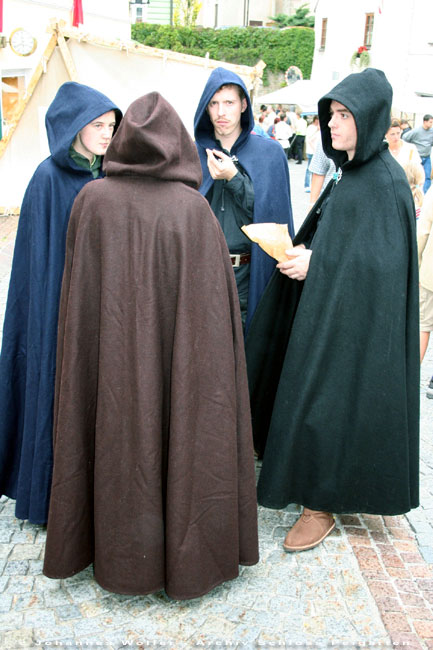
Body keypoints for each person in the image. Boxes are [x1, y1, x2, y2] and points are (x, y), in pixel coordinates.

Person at [43, 92, 259, 600]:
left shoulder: (91, 202)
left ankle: (114, 555)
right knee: (180, 429)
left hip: (111, 370)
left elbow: (79, 310)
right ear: (178, 145)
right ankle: (188, 558)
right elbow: (214, 327)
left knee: (116, 439)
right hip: (173, 370)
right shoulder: (193, 211)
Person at [246, 68, 419, 552]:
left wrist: (317, 264)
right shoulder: (353, 173)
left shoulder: (383, 182)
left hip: (354, 330)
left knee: (329, 403)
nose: (333, 124)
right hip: (328, 312)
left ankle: (320, 502)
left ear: (369, 119)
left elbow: (381, 269)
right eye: (331, 114)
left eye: (344, 115)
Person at [0, 82, 121, 525]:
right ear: (74, 127)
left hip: (97, 309)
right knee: (53, 388)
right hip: (56, 307)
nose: (107, 134)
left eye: (111, 126)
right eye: (97, 126)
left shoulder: (108, 175)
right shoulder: (47, 179)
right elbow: (39, 263)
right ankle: (48, 493)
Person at [194, 67, 294, 329]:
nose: (221, 112)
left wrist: (234, 179)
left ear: (243, 105)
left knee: (248, 356)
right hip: (202, 273)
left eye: (228, 102)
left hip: (249, 275)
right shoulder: (192, 155)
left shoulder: (269, 154)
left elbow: (270, 220)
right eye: (214, 104)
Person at [417, 185, 433, 397]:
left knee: (423, 324)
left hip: (431, 271)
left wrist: (416, 264)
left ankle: (411, 374)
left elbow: (423, 231)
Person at [402, 114, 433, 193]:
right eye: (430, 122)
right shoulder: (416, 131)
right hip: (417, 157)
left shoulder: (432, 132)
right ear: (425, 122)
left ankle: (424, 193)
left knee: (427, 177)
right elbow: (405, 137)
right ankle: (413, 192)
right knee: (414, 177)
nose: (431, 124)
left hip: (427, 157)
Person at [308, 137, 337, 206]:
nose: (331, 125)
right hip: (328, 201)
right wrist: (312, 204)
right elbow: (318, 172)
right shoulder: (326, 138)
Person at [304, 115, 320, 192]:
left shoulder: (319, 128)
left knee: (316, 170)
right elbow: (309, 139)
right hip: (311, 151)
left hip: (316, 151)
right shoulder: (311, 128)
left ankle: (313, 186)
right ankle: (307, 185)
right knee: (309, 169)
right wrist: (316, 130)